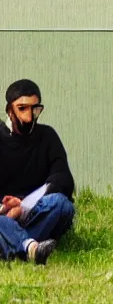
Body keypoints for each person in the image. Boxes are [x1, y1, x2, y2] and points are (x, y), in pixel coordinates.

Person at [0, 79, 75, 264]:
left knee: (62, 204)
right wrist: (7, 209)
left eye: (35, 109)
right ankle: (31, 248)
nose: (29, 117)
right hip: (4, 214)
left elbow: (63, 179)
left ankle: (15, 243)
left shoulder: (47, 136)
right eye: (22, 108)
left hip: (37, 212)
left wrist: (24, 206)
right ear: (9, 110)